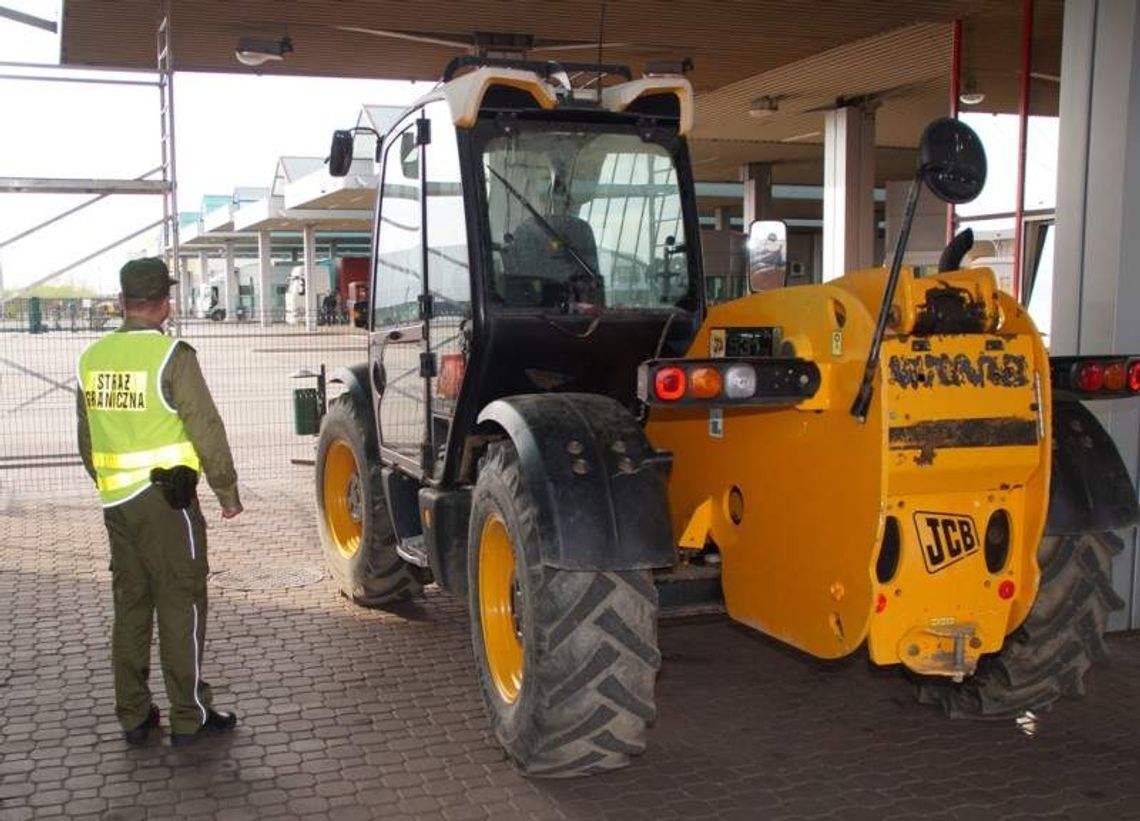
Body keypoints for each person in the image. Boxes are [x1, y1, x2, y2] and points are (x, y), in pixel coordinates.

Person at [76, 257, 243, 748]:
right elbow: (205, 427)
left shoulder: (92, 358)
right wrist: (226, 490)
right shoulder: (172, 355)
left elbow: (86, 439)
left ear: (123, 301)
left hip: (117, 503)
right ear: (165, 303)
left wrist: (110, 481)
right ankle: (189, 717)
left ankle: (133, 714)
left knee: (131, 605)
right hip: (168, 504)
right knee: (180, 604)